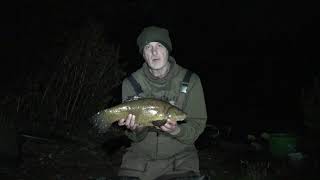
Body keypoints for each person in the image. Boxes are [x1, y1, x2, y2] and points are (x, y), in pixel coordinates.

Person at [117, 26, 208, 180]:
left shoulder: (191, 80)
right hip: (139, 159)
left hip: (181, 159)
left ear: (168, 49)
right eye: (148, 47)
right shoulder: (130, 83)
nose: (154, 52)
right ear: (143, 54)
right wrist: (137, 130)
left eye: (159, 45)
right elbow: (132, 137)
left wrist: (176, 131)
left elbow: (196, 126)